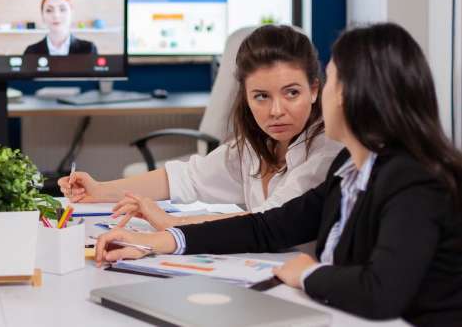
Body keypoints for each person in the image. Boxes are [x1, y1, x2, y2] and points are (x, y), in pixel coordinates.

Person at [95, 23, 462, 325]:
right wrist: (159, 241)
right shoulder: (349, 170)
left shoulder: (414, 182)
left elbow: (379, 292)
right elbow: (268, 226)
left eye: (329, 80)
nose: (319, 95)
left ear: (352, 95)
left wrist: (305, 272)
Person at [60, 25, 343, 229]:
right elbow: (188, 177)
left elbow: (267, 220)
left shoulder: (325, 154)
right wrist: (100, 190)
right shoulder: (256, 146)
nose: (277, 111)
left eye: (291, 93)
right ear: (245, 96)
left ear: (314, 89)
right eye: (261, 96)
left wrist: (172, 223)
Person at [23, 0, 98, 56]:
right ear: (42, 15)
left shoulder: (88, 49)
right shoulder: (31, 51)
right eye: (49, 10)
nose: (56, 15)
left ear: (71, 13)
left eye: (62, 9)